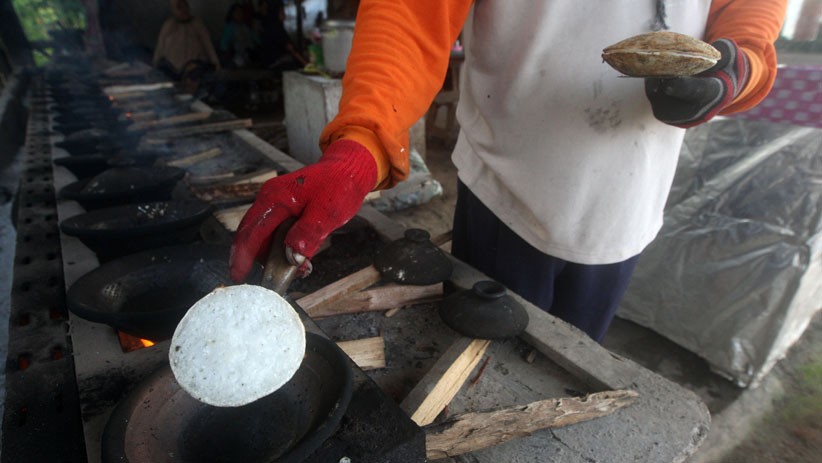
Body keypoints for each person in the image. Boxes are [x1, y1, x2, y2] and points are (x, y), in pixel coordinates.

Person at [230, 1, 788, 343]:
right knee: (482, 367)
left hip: (629, 206)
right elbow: (411, 15)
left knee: (570, 369)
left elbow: (751, 17)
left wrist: (738, 68)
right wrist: (360, 145)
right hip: (507, 197)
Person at [153, 0, 220, 78]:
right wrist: (155, 64)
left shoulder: (197, 24)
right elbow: (160, 47)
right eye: (179, 7)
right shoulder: (168, 25)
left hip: (193, 68)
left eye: (185, 6)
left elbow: (208, 45)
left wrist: (215, 63)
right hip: (172, 69)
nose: (184, 10)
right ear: (173, 10)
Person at [254, 0, 308, 70]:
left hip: (270, 61)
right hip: (274, 63)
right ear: (275, 13)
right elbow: (291, 49)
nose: (284, 15)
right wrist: (305, 64)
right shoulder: (276, 27)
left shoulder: (270, 24)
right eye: (282, 12)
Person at [219, 2, 258, 68]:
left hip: (249, 56)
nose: (239, 14)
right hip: (237, 59)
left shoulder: (245, 26)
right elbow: (223, 46)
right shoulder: (230, 27)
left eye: (241, 12)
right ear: (232, 14)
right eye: (237, 12)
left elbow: (255, 38)